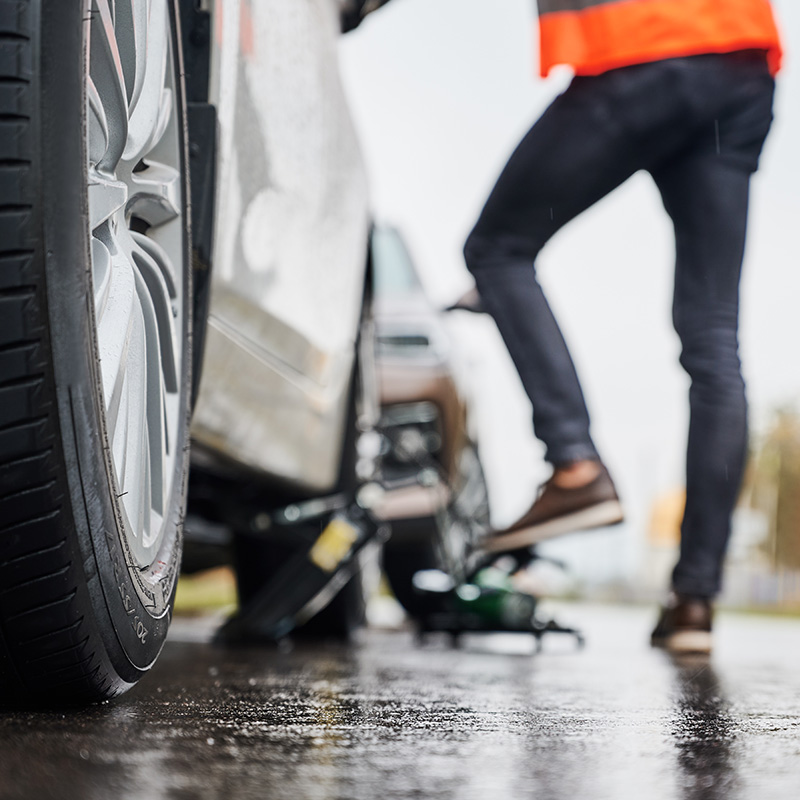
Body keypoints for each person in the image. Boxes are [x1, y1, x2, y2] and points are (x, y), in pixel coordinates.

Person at [462, 0, 782, 654]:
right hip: (740, 60)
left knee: (497, 248)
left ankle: (574, 465)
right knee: (714, 340)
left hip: (638, 48)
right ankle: (694, 599)